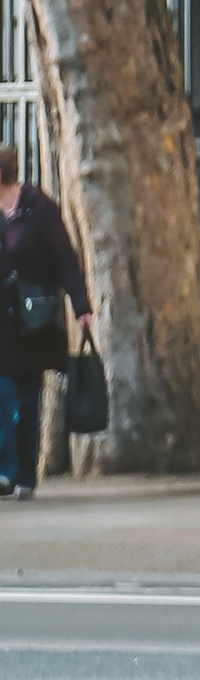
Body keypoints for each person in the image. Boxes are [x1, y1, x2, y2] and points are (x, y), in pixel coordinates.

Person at [0, 144, 90, 496]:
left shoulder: (38, 210)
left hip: (31, 322)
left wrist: (81, 306)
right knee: (4, 398)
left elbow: (65, 257)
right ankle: (6, 472)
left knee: (27, 401)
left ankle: (24, 476)